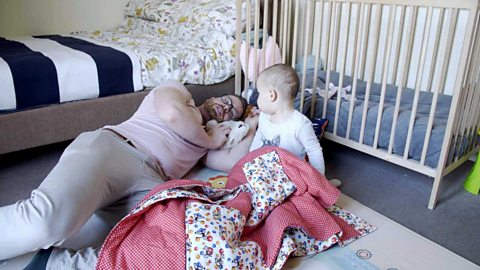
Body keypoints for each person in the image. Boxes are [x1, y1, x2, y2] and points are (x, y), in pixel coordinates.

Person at [0, 80, 248, 261]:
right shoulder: (179, 93)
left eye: (233, 112)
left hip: (151, 183)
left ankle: (52, 264)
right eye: (226, 101)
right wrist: (209, 139)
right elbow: (171, 114)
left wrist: (255, 122)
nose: (226, 109)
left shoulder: (207, 139)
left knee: (171, 245)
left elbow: (234, 161)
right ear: (211, 98)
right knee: (48, 223)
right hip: (115, 149)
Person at [209, 64, 341, 187]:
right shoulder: (264, 117)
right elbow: (258, 140)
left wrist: (319, 182)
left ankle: (326, 186)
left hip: (292, 175)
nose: (258, 98)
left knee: (300, 195)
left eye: (260, 93)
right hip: (267, 171)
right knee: (241, 184)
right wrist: (249, 162)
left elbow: (314, 152)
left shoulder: (301, 124)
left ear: (271, 95)